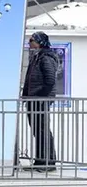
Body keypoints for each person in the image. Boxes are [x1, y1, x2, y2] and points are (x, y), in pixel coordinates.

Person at [22, 31, 58, 172]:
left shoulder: (46, 58)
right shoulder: (36, 57)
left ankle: (48, 162)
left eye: (32, 40)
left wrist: (40, 96)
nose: (30, 43)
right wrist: (25, 95)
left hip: (40, 100)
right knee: (38, 131)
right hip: (34, 99)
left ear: (40, 42)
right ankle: (40, 160)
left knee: (42, 130)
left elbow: (50, 80)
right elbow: (29, 79)